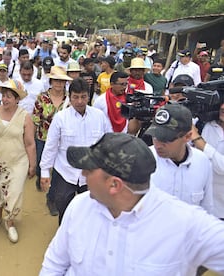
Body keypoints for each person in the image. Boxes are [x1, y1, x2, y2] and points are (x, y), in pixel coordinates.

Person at [40, 132, 224, 275]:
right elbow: (55, 263)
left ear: (114, 184)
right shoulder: (79, 206)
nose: (83, 175)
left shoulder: (185, 224)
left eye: (89, 170)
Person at [40, 78, 112, 224]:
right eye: (75, 97)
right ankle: (64, 237)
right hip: (65, 172)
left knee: (91, 211)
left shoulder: (99, 117)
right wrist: (45, 172)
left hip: (92, 175)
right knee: (64, 208)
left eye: (83, 97)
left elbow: (108, 143)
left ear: (89, 96)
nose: (79, 101)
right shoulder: (60, 118)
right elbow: (51, 146)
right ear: (70, 96)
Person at [0, 79, 36, 243]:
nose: (5, 99)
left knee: (14, 192)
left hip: (18, 162)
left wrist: (32, 164)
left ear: (17, 99)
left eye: (9, 97)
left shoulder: (25, 117)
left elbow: (30, 143)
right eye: (3, 96)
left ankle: (10, 221)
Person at [145, 104, 213, 213]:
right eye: (155, 137)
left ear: (187, 136)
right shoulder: (142, 160)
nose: (158, 144)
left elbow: (206, 209)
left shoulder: (202, 162)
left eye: (166, 139)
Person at [32, 66, 72, 215]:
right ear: (51, 81)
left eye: (61, 81)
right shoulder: (42, 98)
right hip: (43, 138)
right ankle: (40, 175)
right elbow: (35, 118)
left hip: (62, 142)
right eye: (56, 80)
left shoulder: (69, 99)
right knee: (41, 164)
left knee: (57, 171)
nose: (58, 84)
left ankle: (51, 197)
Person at [192, 103, 224, 219]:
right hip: (201, 208)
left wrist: (198, 140)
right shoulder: (202, 124)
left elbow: (222, 167)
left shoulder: (196, 133)